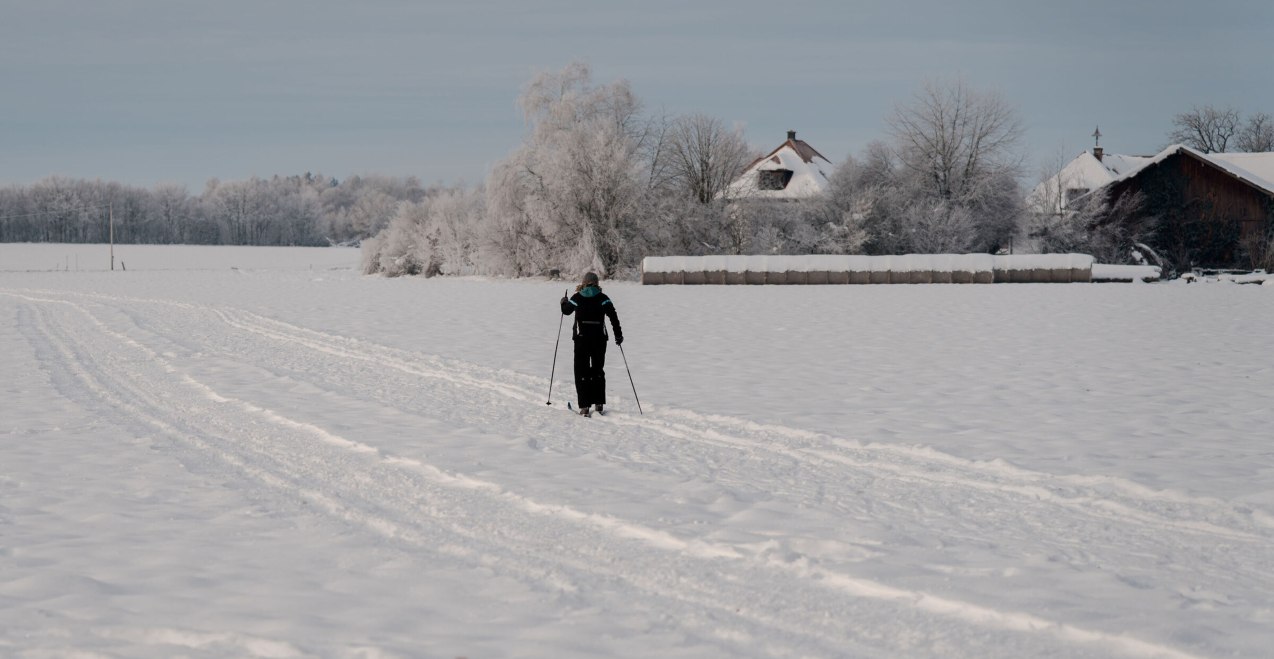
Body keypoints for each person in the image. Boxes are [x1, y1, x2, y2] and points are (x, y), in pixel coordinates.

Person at [560, 272, 623, 417]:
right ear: (596, 283)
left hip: (581, 340)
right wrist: (618, 335)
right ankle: (599, 404)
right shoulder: (603, 298)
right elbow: (613, 316)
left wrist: (563, 301)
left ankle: (584, 406)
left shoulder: (577, 297)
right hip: (600, 340)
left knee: (581, 371)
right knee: (597, 370)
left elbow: (566, 311)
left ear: (584, 282)